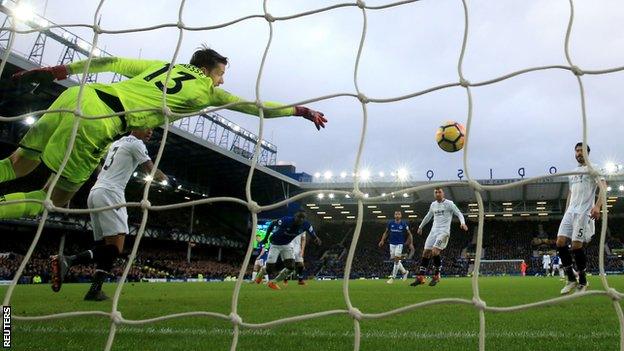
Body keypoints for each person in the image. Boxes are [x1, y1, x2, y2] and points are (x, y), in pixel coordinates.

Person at [0, 47, 328, 219]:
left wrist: (60, 70)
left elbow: (110, 61)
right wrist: (299, 110)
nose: (222, 81)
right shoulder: (208, 91)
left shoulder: (161, 65)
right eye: (221, 73)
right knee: (53, 200)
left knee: (18, 162)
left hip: (78, 95)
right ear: (207, 70)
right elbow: (257, 107)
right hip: (99, 120)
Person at [50, 128, 167, 301]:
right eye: (147, 127)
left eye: (152, 129)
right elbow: (152, 171)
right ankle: (68, 260)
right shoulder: (136, 144)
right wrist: (167, 179)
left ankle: (94, 290)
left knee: (104, 248)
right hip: (112, 194)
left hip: (96, 192)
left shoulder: (116, 143)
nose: (150, 131)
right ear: (136, 127)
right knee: (115, 249)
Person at [557, 142, 605, 294]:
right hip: (570, 211)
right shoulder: (573, 172)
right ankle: (571, 278)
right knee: (560, 242)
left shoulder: (594, 168)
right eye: (576, 151)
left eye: (581, 150)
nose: (578, 153)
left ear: (587, 153)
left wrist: (597, 206)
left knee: (577, 245)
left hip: (584, 212)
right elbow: (571, 193)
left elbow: (603, 186)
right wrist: (566, 211)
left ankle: (583, 281)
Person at [411, 187, 467, 287]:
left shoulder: (449, 203)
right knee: (425, 253)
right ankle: (421, 277)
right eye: (436, 192)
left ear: (443, 193)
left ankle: (437, 275)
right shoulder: (433, 205)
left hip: (444, 232)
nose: (437, 193)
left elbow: (458, 213)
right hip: (433, 232)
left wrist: (462, 223)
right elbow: (428, 216)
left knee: (435, 251)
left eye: (439, 192)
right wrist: (420, 226)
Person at [257, 211, 321, 290]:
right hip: (275, 244)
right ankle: (262, 273)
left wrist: (316, 239)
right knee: (270, 269)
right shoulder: (286, 220)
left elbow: (312, 234)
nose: (300, 219)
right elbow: (272, 224)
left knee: (291, 267)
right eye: (299, 217)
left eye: (303, 218)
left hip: (287, 245)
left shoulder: (306, 225)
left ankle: (273, 282)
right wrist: (265, 238)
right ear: (294, 217)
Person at [378, 210, 414, 284]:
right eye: (396, 214)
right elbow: (386, 232)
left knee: (397, 259)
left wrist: (410, 243)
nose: (397, 215)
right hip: (391, 243)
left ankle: (393, 277)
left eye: (399, 214)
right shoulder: (390, 223)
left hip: (399, 243)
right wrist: (382, 240)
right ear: (394, 215)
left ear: (401, 216)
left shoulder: (404, 224)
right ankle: (404, 272)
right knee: (394, 259)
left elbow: (410, 234)